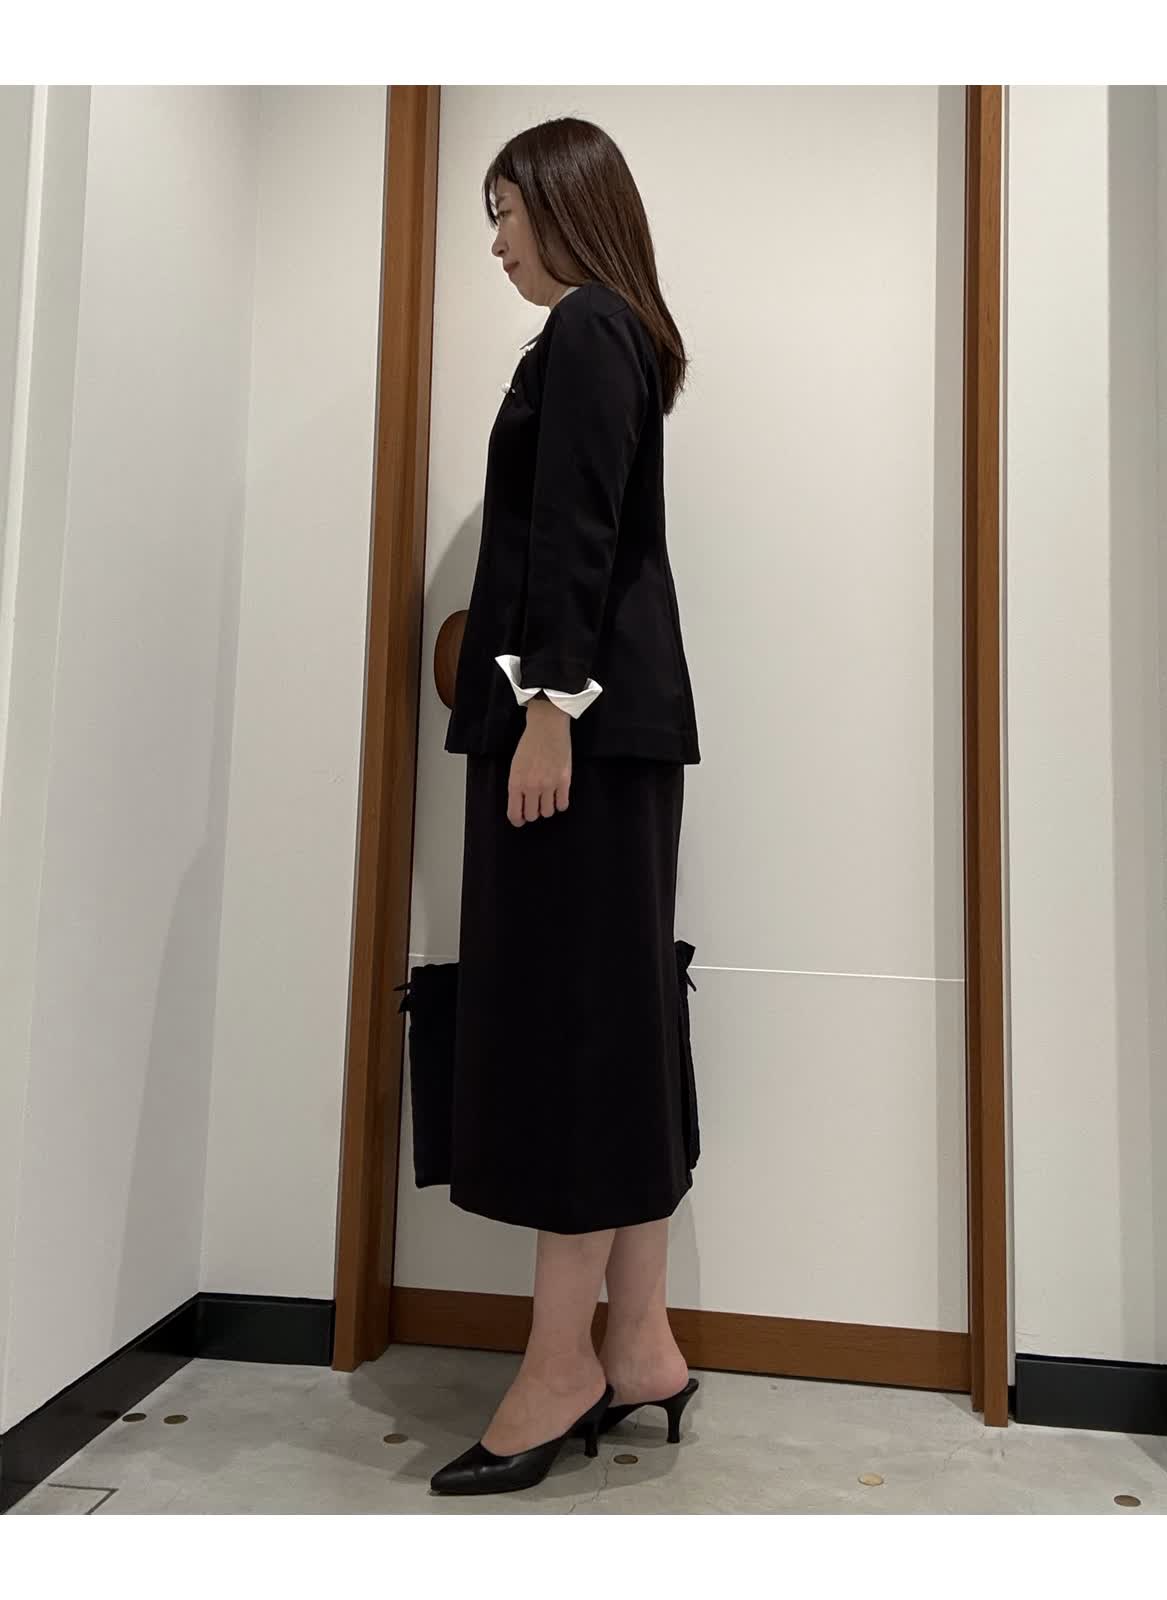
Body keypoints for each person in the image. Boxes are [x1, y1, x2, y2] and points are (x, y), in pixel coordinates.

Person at [433, 116, 702, 1496]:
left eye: (504, 211)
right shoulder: (610, 332)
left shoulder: (590, 326)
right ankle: (640, 1346)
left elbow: (579, 527)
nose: (493, 242)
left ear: (561, 203)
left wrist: (549, 706)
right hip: (611, 731)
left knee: (574, 1035)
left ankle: (559, 1367)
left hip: (578, 733)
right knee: (616, 1018)